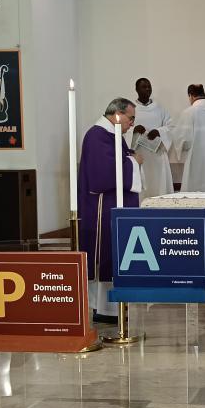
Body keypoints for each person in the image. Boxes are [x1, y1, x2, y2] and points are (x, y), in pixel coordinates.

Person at [78, 98, 144, 324]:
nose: (132, 124)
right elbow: (103, 173)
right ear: (117, 114)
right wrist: (134, 162)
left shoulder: (111, 135)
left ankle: (113, 308)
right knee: (106, 254)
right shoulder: (97, 136)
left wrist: (130, 158)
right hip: (102, 209)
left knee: (116, 254)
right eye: (130, 118)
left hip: (111, 206)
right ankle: (105, 309)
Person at [171, 84, 205, 192]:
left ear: (191, 96)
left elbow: (184, 139)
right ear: (203, 94)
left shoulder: (189, 112)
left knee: (194, 194)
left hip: (196, 162)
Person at [129, 78, 174, 199]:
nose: (148, 89)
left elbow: (171, 127)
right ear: (137, 89)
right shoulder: (131, 109)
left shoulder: (160, 109)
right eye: (144, 87)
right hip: (139, 155)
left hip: (157, 155)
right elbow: (122, 129)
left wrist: (159, 131)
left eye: (149, 86)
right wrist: (134, 130)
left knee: (159, 188)